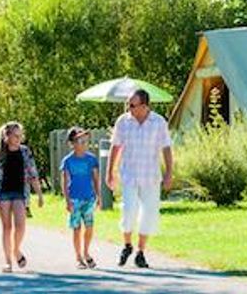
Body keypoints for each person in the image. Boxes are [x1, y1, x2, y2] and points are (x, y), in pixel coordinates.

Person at [106, 89, 173, 269]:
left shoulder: (158, 122)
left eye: (133, 105)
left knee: (148, 216)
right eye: (128, 104)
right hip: (129, 175)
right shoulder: (123, 121)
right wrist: (109, 172)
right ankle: (127, 244)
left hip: (150, 177)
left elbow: (166, 148)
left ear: (144, 106)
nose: (129, 108)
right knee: (129, 211)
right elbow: (115, 147)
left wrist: (169, 173)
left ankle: (140, 252)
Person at [0, 121, 44, 273]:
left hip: (20, 193)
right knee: (7, 228)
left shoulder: (25, 152)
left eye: (20, 135)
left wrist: (39, 194)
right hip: (3, 193)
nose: (19, 138)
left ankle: (16, 250)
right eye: (16, 135)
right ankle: (7, 262)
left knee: (20, 225)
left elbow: (33, 173)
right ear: (7, 137)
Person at [60, 126, 101, 269]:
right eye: (80, 141)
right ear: (72, 144)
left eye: (86, 141)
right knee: (76, 228)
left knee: (89, 227)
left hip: (89, 198)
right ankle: (78, 257)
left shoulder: (92, 159)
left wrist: (99, 196)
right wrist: (67, 200)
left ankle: (86, 252)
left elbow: (96, 179)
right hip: (74, 199)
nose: (84, 144)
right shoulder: (68, 161)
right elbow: (64, 182)